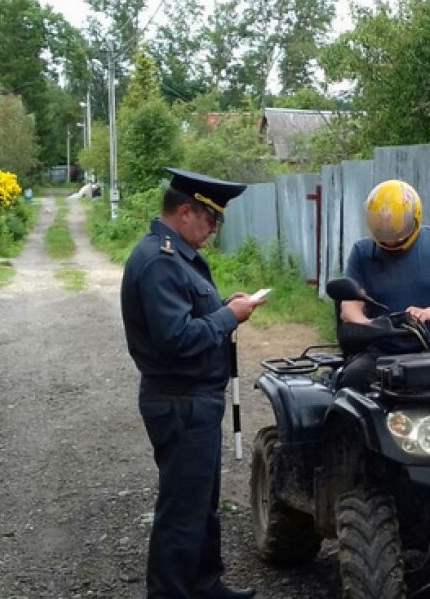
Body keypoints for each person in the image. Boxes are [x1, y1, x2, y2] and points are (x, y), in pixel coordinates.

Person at [121, 168, 262, 599]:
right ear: (185, 213)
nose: (215, 229)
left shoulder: (176, 257)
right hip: (179, 401)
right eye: (211, 219)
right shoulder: (160, 262)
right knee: (182, 513)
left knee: (202, 505)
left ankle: (205, 586)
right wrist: (228, 317)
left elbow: (186, 314)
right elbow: (176, 339)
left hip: (194, 401)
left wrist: (222, 305)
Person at [338, 179, 430, 389]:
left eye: (397, 237)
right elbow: (349, 309)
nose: (392, 243)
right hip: (383, 351)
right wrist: (373, 327)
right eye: (385, 238)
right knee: (351, 384)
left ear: (415, 218)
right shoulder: (362, 252)